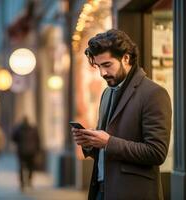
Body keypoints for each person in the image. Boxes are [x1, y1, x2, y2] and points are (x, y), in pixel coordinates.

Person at [72, 29, 172, 200]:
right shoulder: (106, 93)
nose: (102, 73)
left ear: (126, 58)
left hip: (134, 193)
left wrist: (108, 142)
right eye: (98, 66)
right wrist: (90, 143)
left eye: (107, 65)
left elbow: (157, 152)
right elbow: (104, 145)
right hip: (101, 191)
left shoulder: (154, 93)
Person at [12, 117, 40, 192]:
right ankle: (29, 180)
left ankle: (22, 183)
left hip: (21, 151)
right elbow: (38, 140)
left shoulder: (18, 129)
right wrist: (37, 150)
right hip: (31, 151)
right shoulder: (33, 129)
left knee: (21, 167)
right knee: (30, 167)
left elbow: (13, 138)